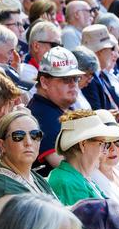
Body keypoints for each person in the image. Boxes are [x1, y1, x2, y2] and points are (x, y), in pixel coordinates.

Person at [27, 46, 85, 176]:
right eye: (65, 79)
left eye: (75, 78)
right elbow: (70, 170)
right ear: (44, 82)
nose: (73, 84)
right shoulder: (42, 116)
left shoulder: (52, 109)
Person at [49, 110, 119, 205]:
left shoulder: (80, 178)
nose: (105, 151)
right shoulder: (68, 182)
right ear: (83, 145)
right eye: (102, 144)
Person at [91, 109, 119, 210]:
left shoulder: (118, 172)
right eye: (106, 143)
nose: (113, 148)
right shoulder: (90, 179)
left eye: (118, 141)